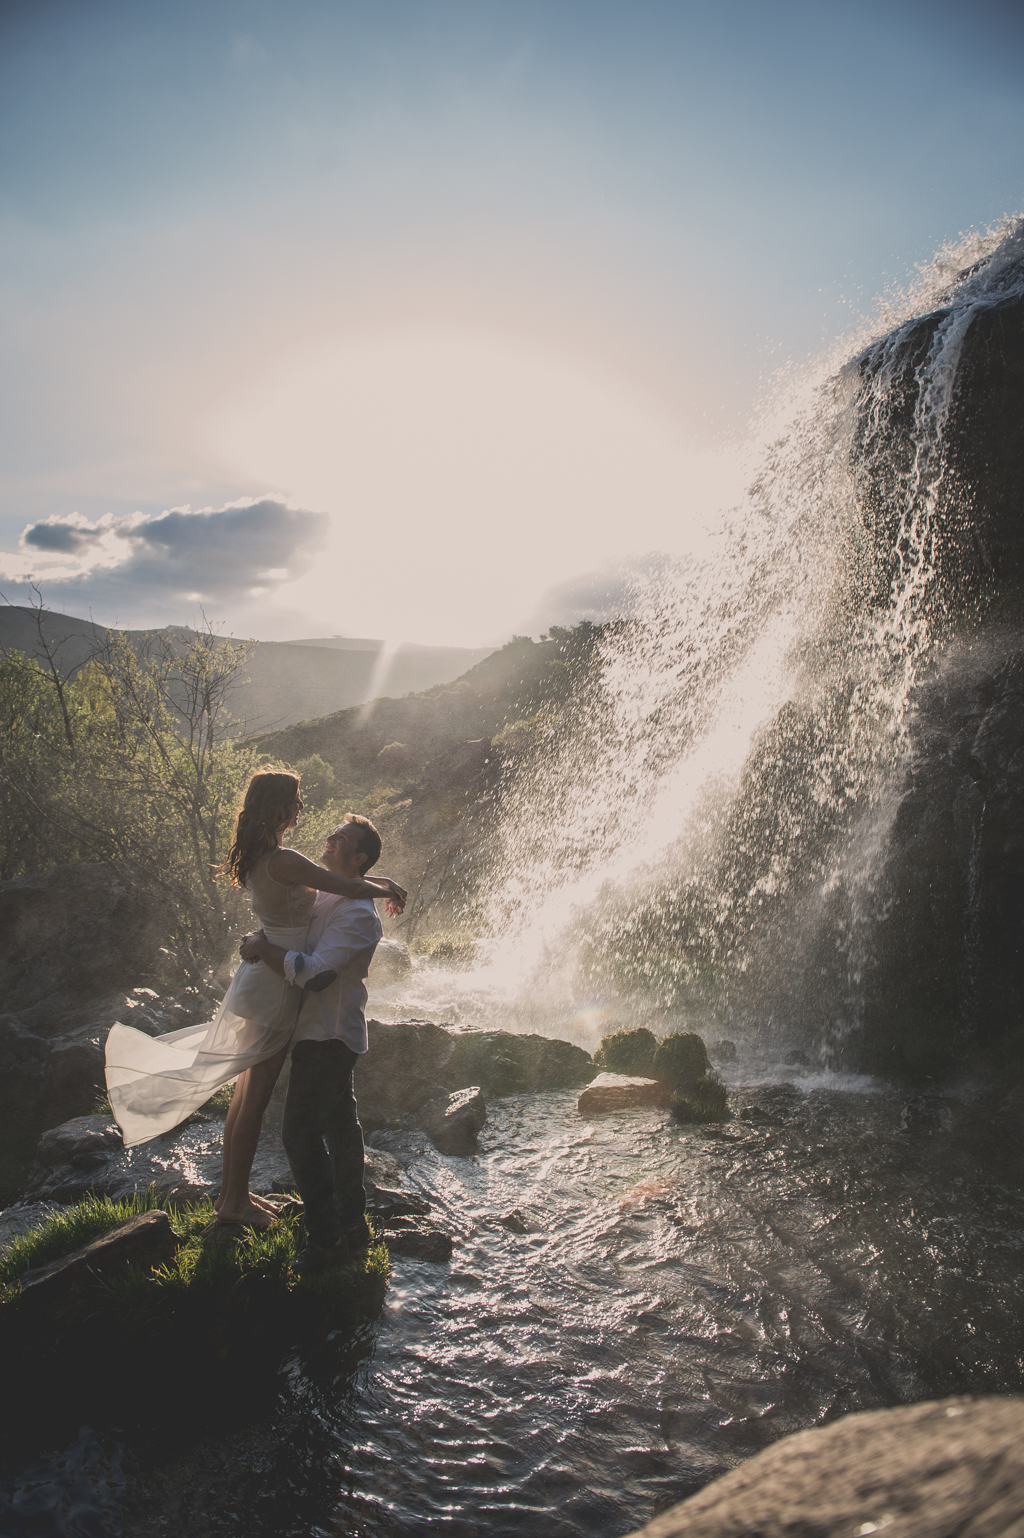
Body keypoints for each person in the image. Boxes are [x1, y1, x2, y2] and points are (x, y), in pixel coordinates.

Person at [104, 769, 405, 1228]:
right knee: (255, 1095)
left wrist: (378, 878)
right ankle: (235, 1203)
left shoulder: (267, 855)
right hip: (274, 984)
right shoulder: (285, 859)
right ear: (281, 808)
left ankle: (231, 1195)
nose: (303, 810)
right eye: (298, 802)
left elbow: (337, 879)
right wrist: (388, 887)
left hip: (261, 978)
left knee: (244, 1094)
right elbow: (344, 884)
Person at [238, 813, 383, 1271]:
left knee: (299, 1135)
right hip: (316, 1033)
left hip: (330, 1034)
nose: (330, 840)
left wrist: (263, 948)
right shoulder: (328, 894)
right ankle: (351, 1226)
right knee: (342, 1133)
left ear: (357, 857)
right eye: (333, 834)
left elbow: (317, 975)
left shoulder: (358, 914)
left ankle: (326, 1243)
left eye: (340, 839)